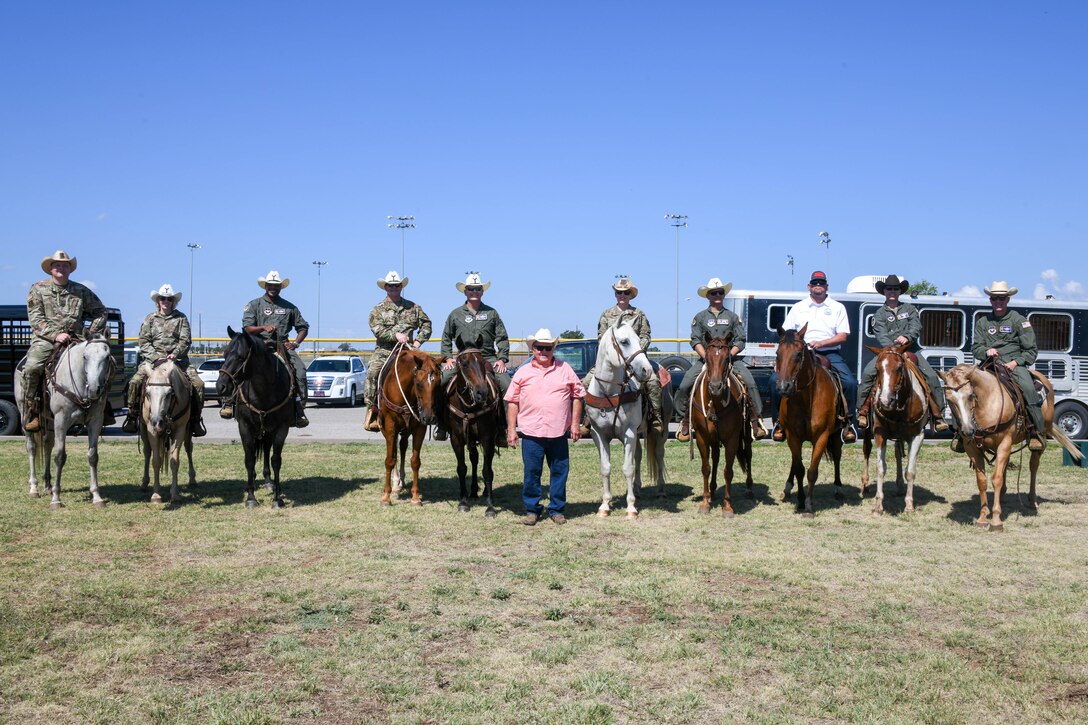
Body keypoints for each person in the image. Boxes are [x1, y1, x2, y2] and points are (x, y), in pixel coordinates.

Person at [21, 250, 110, 432]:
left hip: (76, 339)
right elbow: (35, 318)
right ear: (51, 269)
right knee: (31, 368)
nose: (61, 268)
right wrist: (55, 335)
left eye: (65, 265)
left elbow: (101, 311)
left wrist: (91, 333)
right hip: (45, 340)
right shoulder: (38, 289)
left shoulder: (81, 291)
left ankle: (103, 406)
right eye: (57, 265)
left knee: (105, 363)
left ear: (70, 269)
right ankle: (33, 410)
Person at [505, 328, 585, 526]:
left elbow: (577, 396)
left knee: (559, 471)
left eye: (547, 348)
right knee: (532, 472)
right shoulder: (522, 372)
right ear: (533, 349)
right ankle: (532, 510)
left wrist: (575, 423)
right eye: (539, 347)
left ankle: (556, 509)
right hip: (531, 433)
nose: (543, 351)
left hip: (558, 432)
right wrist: (511, 429)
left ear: (553, 348)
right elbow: (512, 402)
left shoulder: (565, 368)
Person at [954, 280, 1045, 453]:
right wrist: (986, 351)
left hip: (1013, 365)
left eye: (1001, 299)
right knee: (964, 389)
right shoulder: (983, 322)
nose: (998, 302)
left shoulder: (1020, 321)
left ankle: (1036, 432)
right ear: (990, 300)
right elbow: (976, 348)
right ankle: (961, 434)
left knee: (1028, 388)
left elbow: (1031, 350)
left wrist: (1015, 362)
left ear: (1008, 300)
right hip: (988, 364)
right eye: (994, 299)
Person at [675, 277, 768, 442]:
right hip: (706, 360)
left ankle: (756, 421)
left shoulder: (733, 317)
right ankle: (684, 421)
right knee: (684, 384)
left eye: (720, 292)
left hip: (731, 359)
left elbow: (740, 339)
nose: (718, 295)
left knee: (750, 382)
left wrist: (729, 355)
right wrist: (708, 358)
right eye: (714, 293)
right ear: (708, 296)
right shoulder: (700, 317)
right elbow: (695, 340)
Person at [771, 270, 857, 443]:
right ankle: (779, 423)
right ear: (809, 287)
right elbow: (786, 335)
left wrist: (823, 343)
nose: (818, 286)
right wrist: (780, 362)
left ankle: (848, 423)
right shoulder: (798, 307)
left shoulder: (837, 307)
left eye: (821, 283)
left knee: (850, 382)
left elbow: (843, 336)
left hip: (829, 352)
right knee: (774, 381)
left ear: (827, 286)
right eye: (815, 283)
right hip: (799, 354)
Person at [855, 275, 949, 433]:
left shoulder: (910, 309)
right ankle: (862, 411)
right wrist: (893, 347)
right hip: (888, 351)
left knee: (931, 376)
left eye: (895, 289)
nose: (892, 291)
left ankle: (938, 415)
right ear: (884, 291)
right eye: (889, 289)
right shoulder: (879, 314)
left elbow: (916, 327)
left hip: (910, 350)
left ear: (900, 291)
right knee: (867, 373)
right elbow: (880, 334)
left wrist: (907, 338)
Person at [222, 270, 309, 428]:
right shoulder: (254, 305)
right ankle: (229, 402)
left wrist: (295, 343)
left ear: (281, 287)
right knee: (238, 366)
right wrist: (263, 327)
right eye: (270, 285)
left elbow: (303, 327)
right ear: (265, 286)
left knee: (300, 371)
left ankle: (298, 408)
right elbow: (247, 328)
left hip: (282, 346)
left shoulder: (290, 307)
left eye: (276, 285)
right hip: (257, 346)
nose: (273, 288)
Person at [580, 277, 665, 434]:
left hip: (636, 360)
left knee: (653, 382)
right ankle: (588, 417)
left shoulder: (639, 314)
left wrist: (636, 349)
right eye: (619, 292)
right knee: (585, 383)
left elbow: (646, 335)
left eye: (626, 292)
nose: (622, 295)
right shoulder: (606, 314)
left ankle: (655, 417)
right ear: (615, 294)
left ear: (631, 295)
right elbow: (602, 338)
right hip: (612, 361)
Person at [121, 284, 206, 436]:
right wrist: (156, 357)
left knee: (198, 384)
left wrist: (176, 353)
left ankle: (195, 419)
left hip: (178, 361)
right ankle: (133, 416)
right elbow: (144, 341)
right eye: (163, 298)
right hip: (153, 361)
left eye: (169, 299)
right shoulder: (150, 319)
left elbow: (185, 340)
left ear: (173, 301)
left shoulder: (181, 318)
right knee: (134, 382)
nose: (166, 301)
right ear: (158, 301)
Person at [436, 272, 511, 442]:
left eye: (478, 289)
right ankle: (441, 424)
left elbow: (502, 337)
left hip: (487, 358)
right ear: (465, 291)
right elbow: (446, 338)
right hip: (463, 360)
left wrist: (502, 359)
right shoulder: (455, 314)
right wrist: (448, 358)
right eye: (471, 289)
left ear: (482, 291)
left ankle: (502, 429)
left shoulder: (492, 313)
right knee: (440, 382)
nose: (474, 292)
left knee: (507, 385)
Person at [363, 271, 432, 432]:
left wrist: (417, 341)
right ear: (385, 287)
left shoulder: (413, 307)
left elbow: (426, 324)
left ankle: (431, 409)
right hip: (385, 350)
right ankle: (372, 410)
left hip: (408, 349)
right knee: (373, 372)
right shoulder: (377, 310)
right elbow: (377, 330)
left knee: (430, 373)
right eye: (391, 285)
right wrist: (395, 334)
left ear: (401, 287)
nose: (394, 288)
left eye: (397, 285)